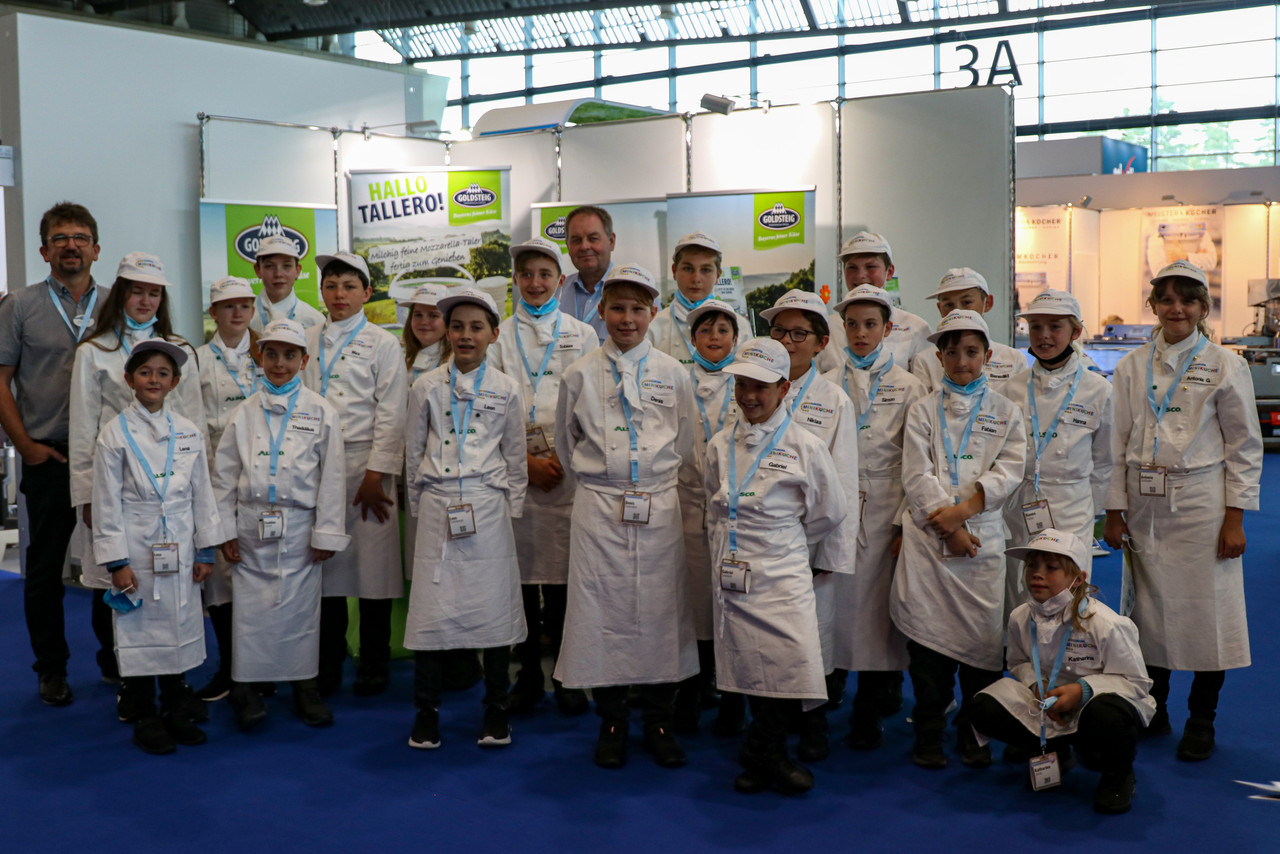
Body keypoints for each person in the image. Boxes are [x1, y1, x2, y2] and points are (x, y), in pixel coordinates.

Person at [1102, 259, 1262, 761]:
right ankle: (1155, 707)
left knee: (1207, 613)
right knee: (1147, 614)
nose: (1177, 309)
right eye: (1167, 300)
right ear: (1152, 305)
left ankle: (1201, 717)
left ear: (1203, 307)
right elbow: (1114, 444)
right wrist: (1114, 511)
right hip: (1145, 508)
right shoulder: (1131, 367)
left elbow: (1244, 446)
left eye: (1188, 300)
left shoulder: (1225, 365)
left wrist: (1235, 517)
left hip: (1201, 506)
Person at [554, 264, 699, 769]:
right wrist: (603, 483)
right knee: (601, 614)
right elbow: (565, 441)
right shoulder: (578, 374)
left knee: (662, 612)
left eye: (638, 309)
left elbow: (686, 439)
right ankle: (612, 721)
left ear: (654, 312)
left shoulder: (674, 372)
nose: (627, 318)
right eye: (617, 308)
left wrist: (651, 481)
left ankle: (660, 721)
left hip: (658, 507)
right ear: (601, 310)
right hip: (599, 507)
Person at [704, 337, 848, 795]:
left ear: (784, 389)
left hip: (783, 573)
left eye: (761, 387)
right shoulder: (719, 444)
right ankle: (767, 753)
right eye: (742, 385)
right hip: (733, 574)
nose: (749, 395)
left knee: (791, 662)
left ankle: (761, 750)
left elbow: (830, 512)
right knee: (747, 664)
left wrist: (783, 542)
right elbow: (713, 503)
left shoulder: (806, 446)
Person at [70, 252, 205, 721]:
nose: (145, 301)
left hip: (171, 494)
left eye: (153, 293)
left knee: (174, 590)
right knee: (117, 581)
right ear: (120, 294)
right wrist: (85, 497)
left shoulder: (179, 348)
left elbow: (194, 423)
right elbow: (83, 429)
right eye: (136, 291)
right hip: (118, 488)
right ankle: (126, 678)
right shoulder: (94, 351)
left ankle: (174, 680)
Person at [890, 309, 1026, 769]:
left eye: (971, 352)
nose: (962, 361)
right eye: (952, 352)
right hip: (929, 542)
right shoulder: (922, 409)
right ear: (939, 357)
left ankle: (975, 731)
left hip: (981, 543)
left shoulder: (1007, 412)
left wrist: (963, 515)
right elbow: (916, 473)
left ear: (987, 355)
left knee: (982, 648)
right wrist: (948, 527)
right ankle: (928, 731)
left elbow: (1010, 470)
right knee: (927, 648)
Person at [403, 286, 528, 749]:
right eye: (457, 327)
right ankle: (426, 711)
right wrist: (421, 508)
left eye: (476, 327)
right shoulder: (426, 386)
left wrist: (510, 510)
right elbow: (413, 453)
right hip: (438, 507)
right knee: (430, 615)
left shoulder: (507, 389)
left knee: (493, 613)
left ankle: (496, 710)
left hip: (488, 508)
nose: (465, 336)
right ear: (446, 333)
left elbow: (515, 457)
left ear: (494, 334)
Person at [212, 318, 349, 730]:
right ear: (259, 357)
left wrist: (326, 532)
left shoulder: (321, 411)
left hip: (300, 527)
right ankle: (245, 688)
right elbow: (223, 477)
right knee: (250, 612)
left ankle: (305, 686)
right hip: (251, 527)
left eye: (289, 356)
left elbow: (333, 478)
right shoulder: (242, 413)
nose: (279, 364)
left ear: (304, 361)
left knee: (300, 610)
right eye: (271, 354)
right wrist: (224, 530)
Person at [0, 201, 108, 705]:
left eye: (80, 237)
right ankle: (51, 668)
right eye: (60, 238)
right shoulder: (20, 305)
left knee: (110, 561)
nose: (71, 246)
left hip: (109, 458)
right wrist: (25, 446)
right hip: (50, 454)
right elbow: (0, 379)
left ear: (96, 249)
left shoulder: (116, 303)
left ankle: (116, 661)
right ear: (44, 251)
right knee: (44, 569)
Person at [92, 340, 223, 754]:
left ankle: (174, 704)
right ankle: (144, 710)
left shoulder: (187, 431)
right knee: (140, 626)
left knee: (179, 623)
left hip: (180, 542)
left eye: (163, 373)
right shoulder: (113, 434)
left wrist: (205, 549)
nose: (154, 379)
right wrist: (116, 561)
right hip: (136, 543)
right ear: (129, 379)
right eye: (145, 372)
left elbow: (202, 492)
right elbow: (106, 501)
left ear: (175, 382)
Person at [970, 529, 1155, 814]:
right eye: (1032, 565)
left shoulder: (1106, 623)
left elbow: (1137, 682)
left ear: (1078, 578)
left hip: (1093, 705)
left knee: (1108, 714)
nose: (1037, 574)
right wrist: (1036, 684)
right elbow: (1018, 663)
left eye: (1051, 568)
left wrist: (1082, 691)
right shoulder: (1020, 617)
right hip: (1046, 703)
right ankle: (1055, 751)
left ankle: (1118, 773)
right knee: (984, 706)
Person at [488, 237, 597, 717]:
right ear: (516, 280)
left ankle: (567, 675)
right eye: (527, 274)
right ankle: (529, 674)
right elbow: (490, 405)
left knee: (564, 582)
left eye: (545, 275)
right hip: (517, 473)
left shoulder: (583, 334)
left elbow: (591, 405)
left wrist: (563, 460)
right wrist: (526, 463)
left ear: (560, 280)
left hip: (568, 474)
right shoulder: (498, 336)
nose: (535, 283)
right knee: (520, 579)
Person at [823, 284, 927, 750]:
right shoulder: (826, 382)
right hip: (836, 507)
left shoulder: (909, 386)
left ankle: (868, 707)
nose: (861, 333)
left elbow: (917, 461)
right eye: (852, 325)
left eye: (870, 325)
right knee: (832, 605)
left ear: (887, 329)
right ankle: (825, 692)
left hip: (885, 508)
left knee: (876, 616)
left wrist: (904, 521)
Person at [303, 252, 409, 697]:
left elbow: (392, 412)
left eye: (349, 286)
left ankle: (373, 662)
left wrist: (376, 474)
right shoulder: (307, 338)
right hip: (315, 465)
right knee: (325, 567)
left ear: (366, 293)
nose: (339, 295)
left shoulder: (384, 344)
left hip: (367, 466)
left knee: (373, 572)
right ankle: (328, 663)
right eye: (331, 286)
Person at [760, 288, 859, 762]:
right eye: (780, 331)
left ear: (821, 343)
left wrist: (829, 554)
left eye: (799, 334)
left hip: (810, 544)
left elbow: (843, 483)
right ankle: (767, 724)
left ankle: (813, 723)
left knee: (812, 636)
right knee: (765, 633)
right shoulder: (753, 388)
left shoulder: (833, 400)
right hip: (761, 541)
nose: (787, 341)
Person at [1003, 289, 1112, 619]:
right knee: (1020, 594)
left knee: (1067, 597)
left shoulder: (1098, 390)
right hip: (1019, 507)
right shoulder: (1010, 388)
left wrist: (1094, 515)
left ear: (1075, 332)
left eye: (1055, 327)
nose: (1044, 336)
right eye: (1036, 327)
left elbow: (1105, 461)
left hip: (1072, 509)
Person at [672, 299, 747, 736]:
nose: (714, 337)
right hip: (686, 507)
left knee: (732, 604)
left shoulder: (748, 383)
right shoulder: (676, 381)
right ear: (693, 338)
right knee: (693, 603)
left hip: (737, 513)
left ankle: (733, 698)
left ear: (736, 338)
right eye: (705, 330)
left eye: (723, 330)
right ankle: (693, 688)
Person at [194, 276, 260, 701]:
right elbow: (192, 420)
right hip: (215, 474)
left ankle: (262, 667)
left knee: (261, 574)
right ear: (213, 312)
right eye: (228, 306)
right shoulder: (196, 360)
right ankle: (230, 668)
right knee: (220, 576)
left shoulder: (268, 353)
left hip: (263, 479)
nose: (237, 313)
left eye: (244, 305)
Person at [818, 231, 932, 373]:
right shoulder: (826, 328)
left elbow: (926, 382)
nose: (861, 275)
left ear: (889, 272)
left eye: (870, 267)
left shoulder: (916, 328)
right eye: (852, 267)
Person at [912, 268, 1023, 393]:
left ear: (988, 303)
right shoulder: (924, 361)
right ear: (939, 308)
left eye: (967, 302)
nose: (957, 310)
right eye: (949, 305)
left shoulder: (1014, 359)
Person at [648, 231, 723, 367]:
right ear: (674, 271)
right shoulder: (653, 327)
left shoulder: (738, 326)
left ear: (718, 275)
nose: (696, 279)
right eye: (688, 269)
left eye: (706, 270)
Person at [555, 205, 616, 342]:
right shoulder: (555, 293)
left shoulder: (636, 290)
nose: (584, 246)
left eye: (593, 238)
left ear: (611, 241)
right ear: (568, 245)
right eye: (576, 240)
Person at [248, 234, 326, 333]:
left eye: (286, 266)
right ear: (258, 270)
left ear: (297, 270)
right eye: (269, 266)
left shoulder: (315, 321)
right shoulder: (241, 318)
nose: (278, 274)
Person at [400, 284, 451, 383]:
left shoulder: (456, 362)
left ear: (448, 321)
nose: (424, 322)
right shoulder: (401, 357)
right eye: (418, 315)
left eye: (433, 315)